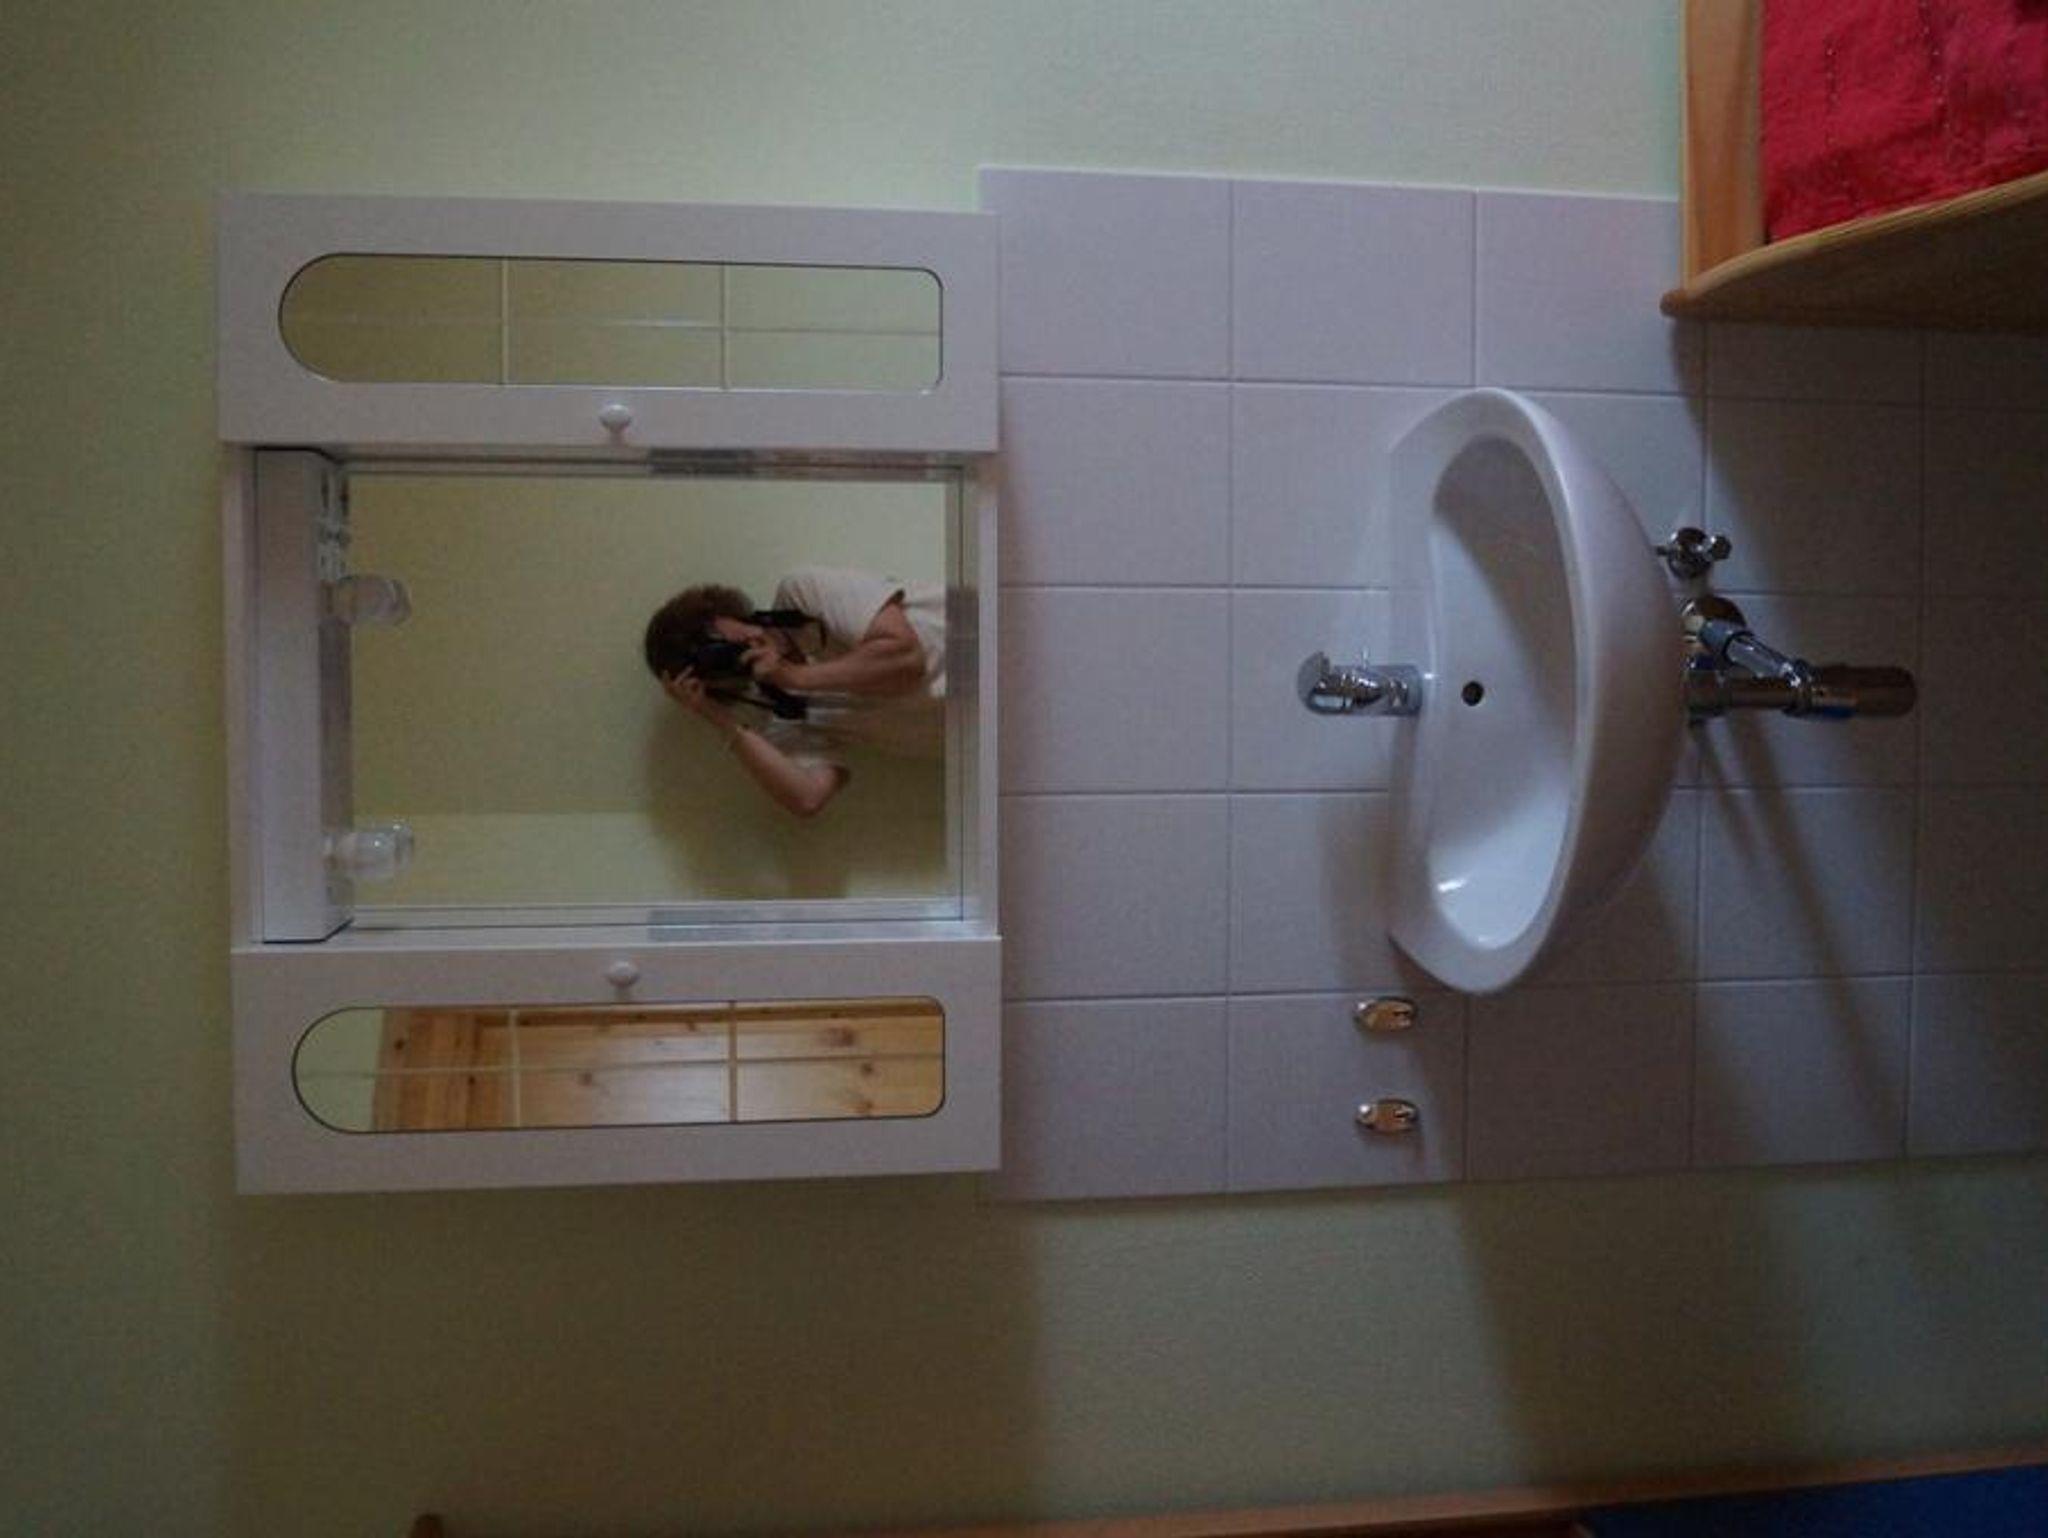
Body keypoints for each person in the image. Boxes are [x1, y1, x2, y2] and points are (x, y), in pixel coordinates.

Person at [643, 566, 945, 818]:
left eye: (713, 635)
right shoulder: (785, 712)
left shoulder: (801, 596)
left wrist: (793, 676)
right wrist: (718, 717)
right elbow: (808, 798)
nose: (727, 646)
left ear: (721, 613)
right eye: (712, 657)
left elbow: (906, 658)